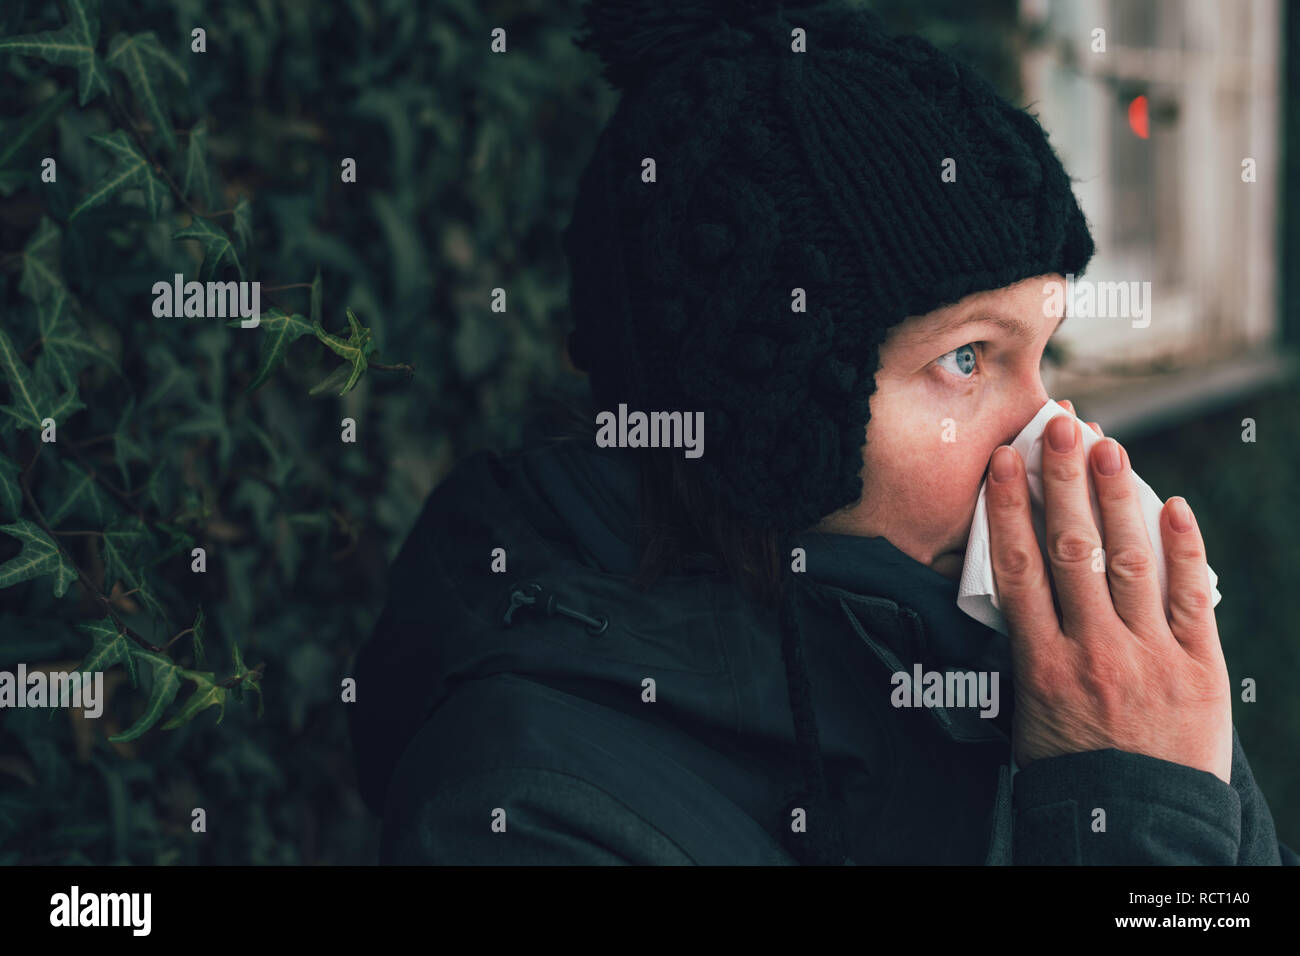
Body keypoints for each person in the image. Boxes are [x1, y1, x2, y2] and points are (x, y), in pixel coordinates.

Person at [348, 0, 1297, 865]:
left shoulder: (1026, 671)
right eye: (967, 359)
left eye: (1043, 351)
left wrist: (1163, 753)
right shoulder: (529, 814)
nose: (1053, 435)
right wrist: (1130, 816)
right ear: (766, 420)